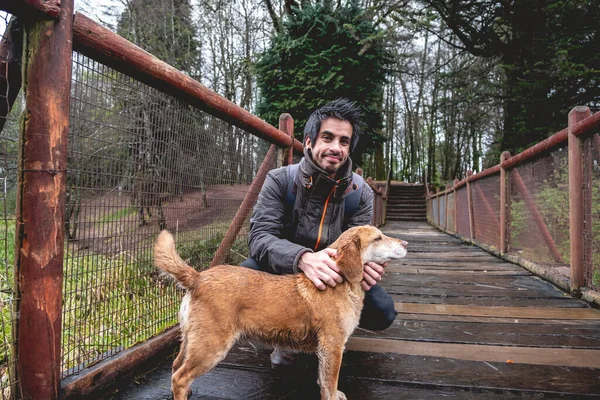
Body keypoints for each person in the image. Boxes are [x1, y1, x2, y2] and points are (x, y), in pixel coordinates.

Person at [241, 98, 397, 364]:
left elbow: (360, 245)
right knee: (248, 271)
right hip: (284, 272)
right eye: (328, 137)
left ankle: (329, 327)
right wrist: (302, 257)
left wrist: (367, 263)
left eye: (344, 141)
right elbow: (259, 237)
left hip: (334, 274)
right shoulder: (280, 181)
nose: (336, 147)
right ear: (310, 141)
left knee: (382, 311)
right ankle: (283, 331)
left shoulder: (360, 193)